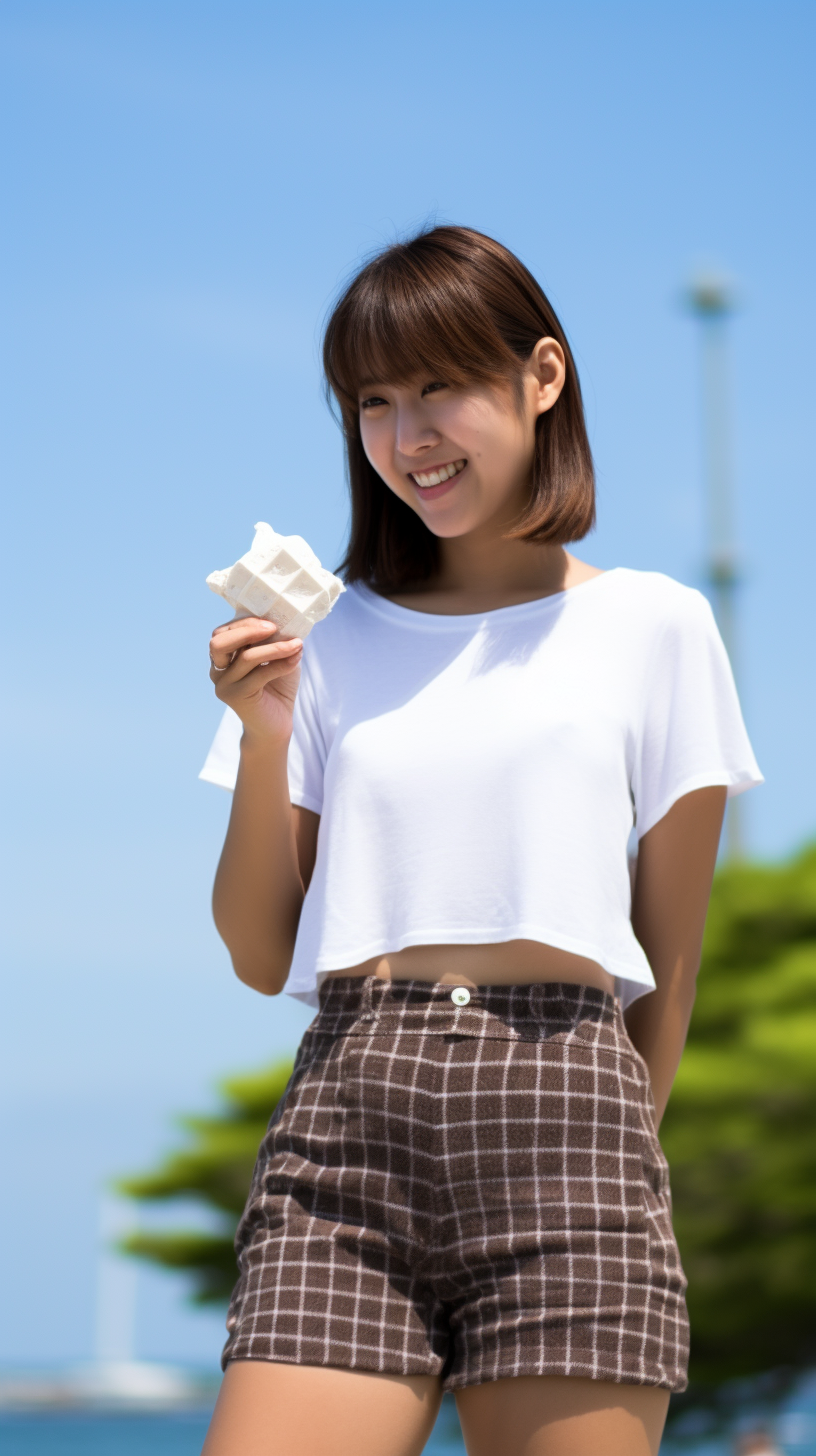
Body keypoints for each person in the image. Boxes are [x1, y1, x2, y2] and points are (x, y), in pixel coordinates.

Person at [199, 226, 762, 1456]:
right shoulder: (324, 642)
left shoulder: (655, 626)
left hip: (574, 1119)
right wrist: (262, 731)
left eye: (440, 385)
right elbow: (256, 948)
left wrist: (620, 1153)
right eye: (374, 402)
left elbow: (671, 952)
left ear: (542, 376)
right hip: (348, 1120)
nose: (409, 438)